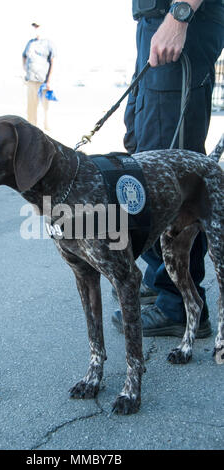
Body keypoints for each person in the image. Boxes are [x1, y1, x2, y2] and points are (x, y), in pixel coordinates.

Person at [112, 0, 224, 337]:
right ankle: (160, 275)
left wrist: (180, 15)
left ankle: (179, 303)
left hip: (179, 20)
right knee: (141, 149)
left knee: (168, 175)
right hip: (155, 25)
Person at [22, 21, 56, 131]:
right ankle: (32, 130)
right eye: (34, 27)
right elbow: (24, 57)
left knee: (45, 109)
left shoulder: (48, 43)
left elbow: (53, 62)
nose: (35, 29)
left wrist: (49, 81)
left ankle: (46, 131)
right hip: (31, 81)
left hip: (44, 82)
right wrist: (25, 71)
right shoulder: (30, 43)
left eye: (37, 27)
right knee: (31, 108)